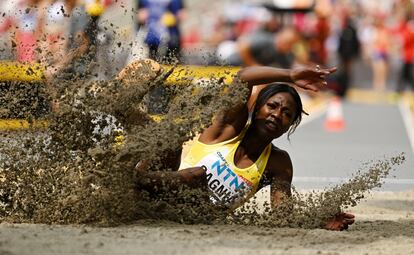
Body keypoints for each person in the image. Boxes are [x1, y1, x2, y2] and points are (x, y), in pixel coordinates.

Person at [133, 59, 355, 231]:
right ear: (257, 108)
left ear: (290, 125)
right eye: (272, 106)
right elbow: (243, 77)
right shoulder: (228, 127)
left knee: (198, 177)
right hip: (156, 192)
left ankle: (131, 178)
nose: (277, 115)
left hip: (190, 216)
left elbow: (283, 215)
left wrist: (319, 220)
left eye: (287, 114)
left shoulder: (278, 164)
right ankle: (129, 167)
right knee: (174, 142)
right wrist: (290, 75)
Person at [225, 27, 300, 68]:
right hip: (231, 66)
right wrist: (253, 65)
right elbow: (242, 45)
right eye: (288, 43)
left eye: (292, 44)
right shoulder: (266, 39)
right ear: (280, 36)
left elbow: (290, 67)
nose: (290, 47)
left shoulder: (283, 54)